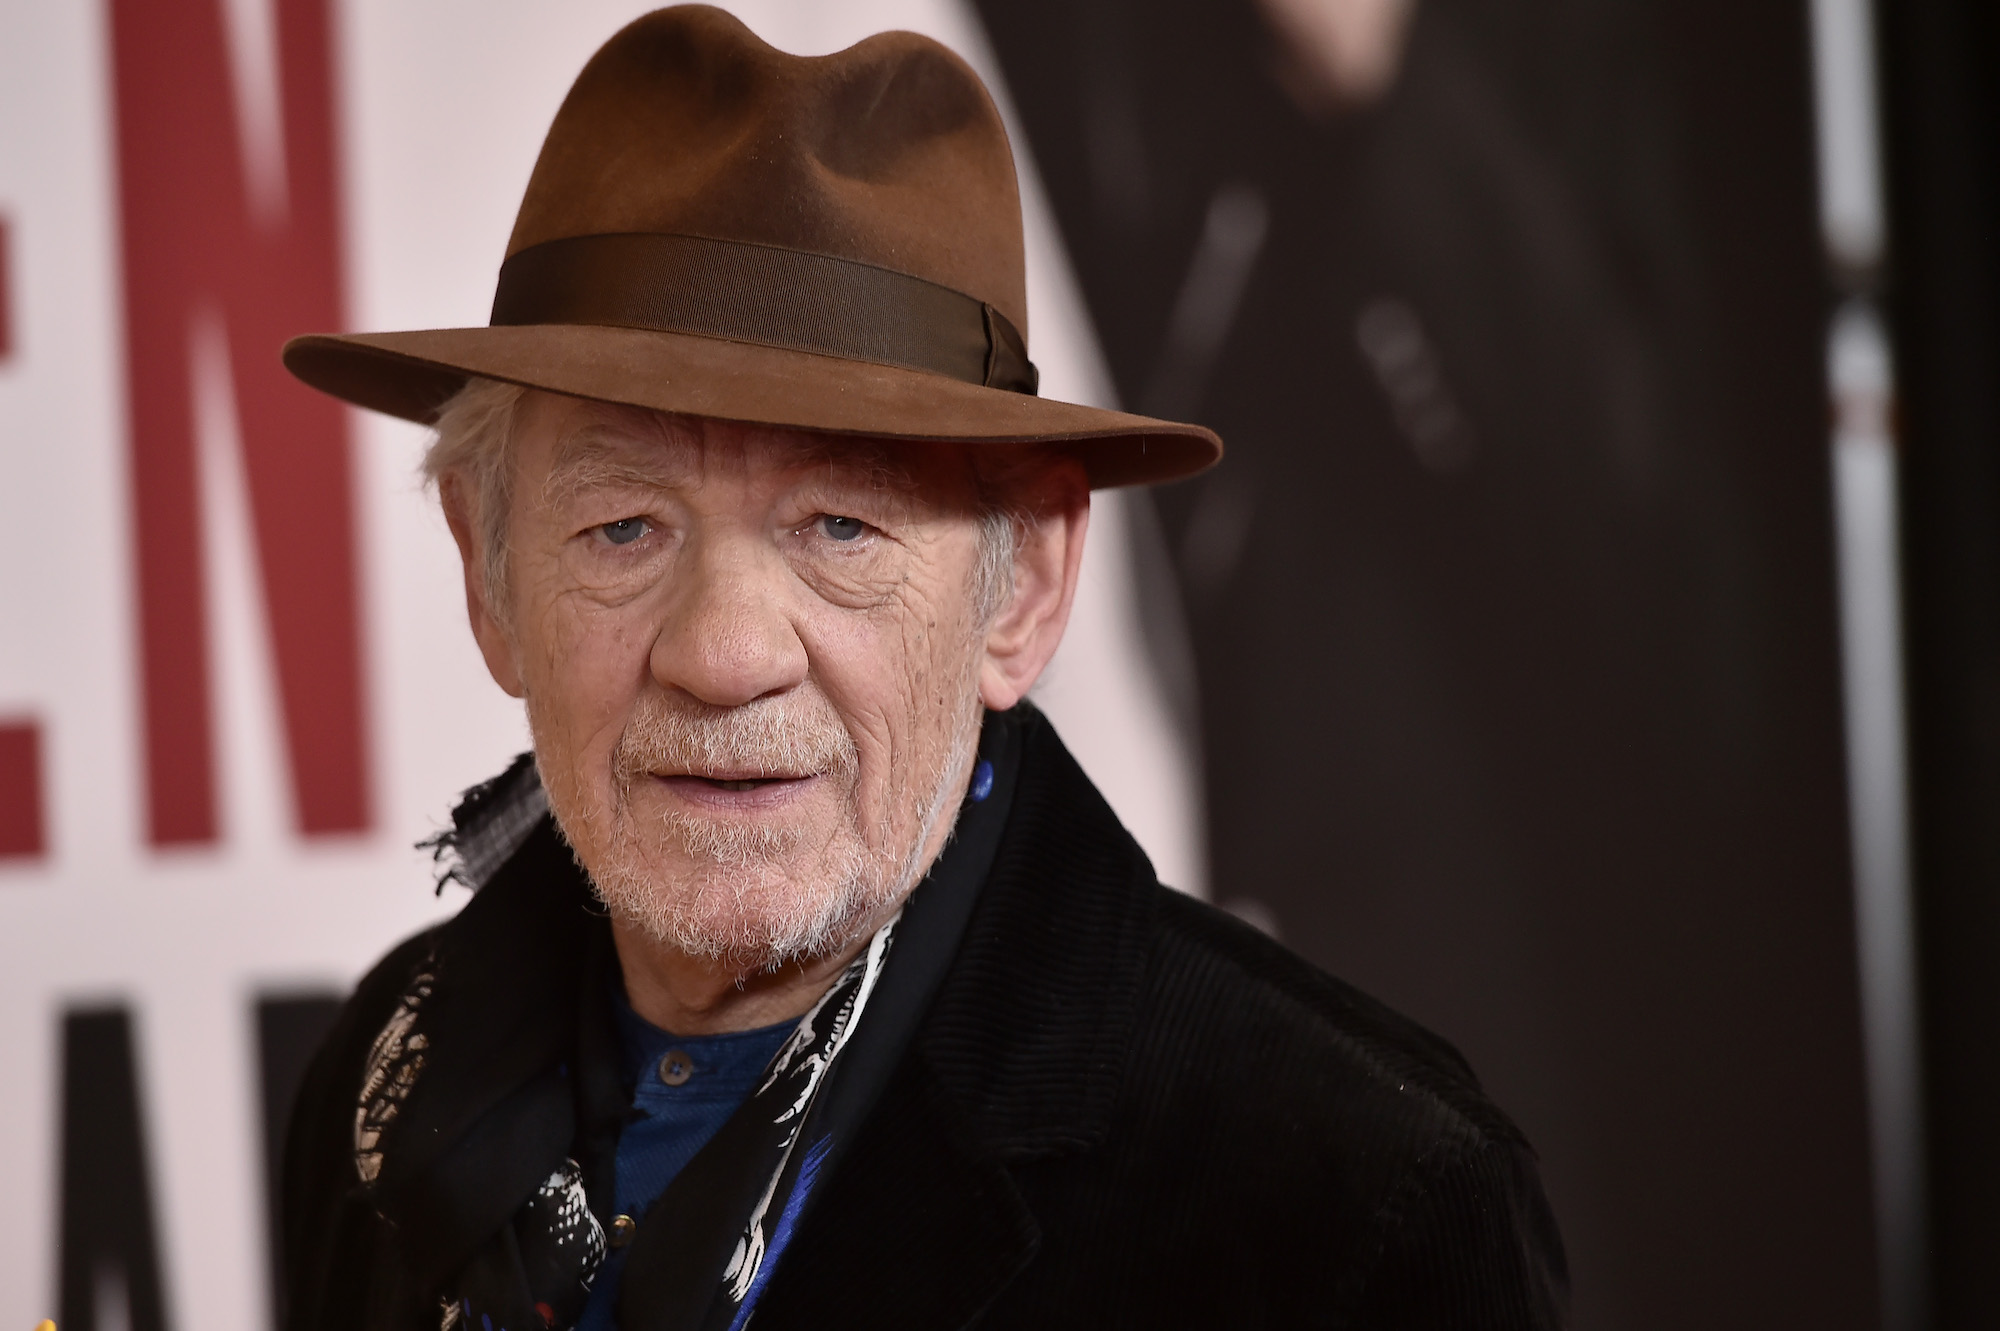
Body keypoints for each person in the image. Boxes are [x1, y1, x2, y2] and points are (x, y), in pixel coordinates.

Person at [278, 8, 1568, 1329]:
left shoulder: (1352, 1199)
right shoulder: (385, 1087)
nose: (725, 655)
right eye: (624, 527)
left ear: (1024, 588)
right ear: (489, 578)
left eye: (840, 524)